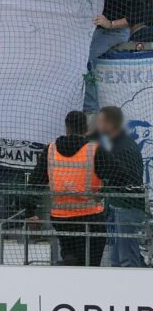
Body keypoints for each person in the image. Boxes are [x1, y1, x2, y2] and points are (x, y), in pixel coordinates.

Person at [29, 110, 111, 267]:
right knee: (91, 261)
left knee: (70, 254)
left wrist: (30, 213)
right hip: (90, 217)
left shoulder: (50, 150)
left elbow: (34, 183)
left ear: (67, 128)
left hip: (61, 217)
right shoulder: (95, 150)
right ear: (86, 129)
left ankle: (70, 270)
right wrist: (104, 191)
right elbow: (118, 177)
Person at [97, 107, 147, 268]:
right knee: (117, 259)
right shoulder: (119, 144)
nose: (98, 124)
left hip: (127, 207)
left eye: (101, 120)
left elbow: (126, 178)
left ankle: (134, 290)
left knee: (127, 259)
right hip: (121, 206)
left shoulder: (122, 146)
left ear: (110, 123)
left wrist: (101, 191)